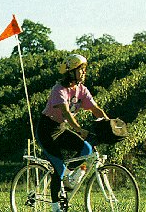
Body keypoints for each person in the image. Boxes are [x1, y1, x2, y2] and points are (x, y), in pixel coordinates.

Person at [36, 54, 109, 212]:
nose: (84, 73)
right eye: (81, 70)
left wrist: (109, 123)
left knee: (86, 149)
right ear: (71, 72)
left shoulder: (81, 90)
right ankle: (55, 208)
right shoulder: (59, 90)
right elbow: (67, 113)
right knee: (59, 167)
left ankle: (66, 178)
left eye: (84, 70)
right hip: (46, 130)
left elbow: (95, 109)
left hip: (61, 128)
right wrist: (79, 129)